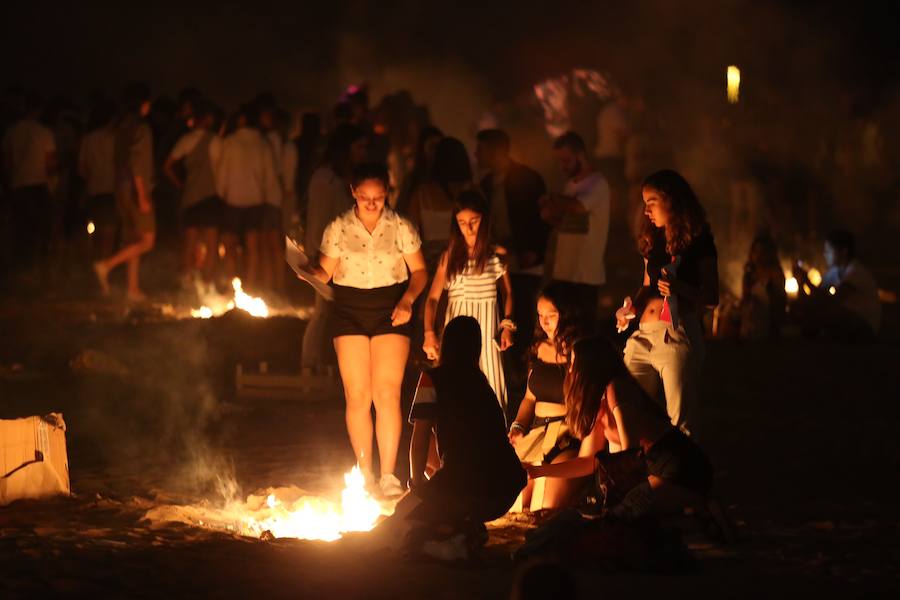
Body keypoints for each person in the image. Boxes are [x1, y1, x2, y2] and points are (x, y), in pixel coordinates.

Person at [302, 162, 427, 497]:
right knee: (358, 396)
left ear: (387, 194)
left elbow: (419, 271)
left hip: (392, 309)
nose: (372, 204)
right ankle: (364, 472)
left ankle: (388, 476)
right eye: (365, 197)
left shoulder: (401, 226)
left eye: (378, 197)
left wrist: (408, 300)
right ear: (353, 193)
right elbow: (325, 274)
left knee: (387, 394)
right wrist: (304, 267)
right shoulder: (338, 227)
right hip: (349, 310)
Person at [376, 316, 526, 560]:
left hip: (466, 486)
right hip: (504, 489)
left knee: (402, 518)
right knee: (432, 509)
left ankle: (453, 538)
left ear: (446, 343)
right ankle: (463, 526)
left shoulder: (432, 379)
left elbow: (420, 439)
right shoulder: (481, 383)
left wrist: (417, 487)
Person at [527, 335, 715, 523]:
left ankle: (701, 508)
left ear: (591, 366)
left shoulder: (617, 388)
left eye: (574, 362)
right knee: (614, 517)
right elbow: (588, 461)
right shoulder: (598, 402)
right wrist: (539, 471)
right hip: (649, 468)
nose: (570, 369)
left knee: (620, 518)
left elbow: (629, 452)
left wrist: (615, 500)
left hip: (676, 463)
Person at [615, 170, 718, 438]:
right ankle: (634, 474)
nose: (646, 210)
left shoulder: (699, 242)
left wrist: (680, 288)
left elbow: (711, 296)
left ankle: (682, 476)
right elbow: (647, 284)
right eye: (644, 202)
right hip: (642, 336)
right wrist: (629, 311)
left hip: (676, 334)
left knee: (680, 422)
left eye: (652, 201)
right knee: (627, 410)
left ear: (672, 199)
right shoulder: (653, 240)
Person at [422, 191, 514, 412]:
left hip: (487, 334)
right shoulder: (450, 256)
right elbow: (433, 298)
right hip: (457, 335)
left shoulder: (495, 255)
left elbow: (508, 293)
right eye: (462, 223)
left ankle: (494, 441)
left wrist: (507, 325)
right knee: (456, 389)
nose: (468, 228)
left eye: (474, 221)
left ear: (485, 220)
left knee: (492, 388)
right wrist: (429, 332)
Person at [508, 282, 589, 509]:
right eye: (540, 315)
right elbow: (529, 398)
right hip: (535, 435)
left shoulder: (581, 351)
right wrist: (518, 426)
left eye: (551, 315)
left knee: (545, 507)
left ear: (566, 314)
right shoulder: (538, 348)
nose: (544, 322)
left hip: (566, 436)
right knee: (516, 504)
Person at [476, 129, 549, 370]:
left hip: (526, 260)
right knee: (505, 309)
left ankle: (526, 365)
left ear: (497, 150)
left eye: (481, 149)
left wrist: (534, 250)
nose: (477, 155)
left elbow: (543, 218)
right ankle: (510, 366)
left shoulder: (527, 179)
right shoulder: (486, 184)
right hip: (501, 259)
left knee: (526, 311)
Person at [301, 123, 368, 376]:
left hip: (347, 254)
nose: (363, 153)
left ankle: (323, 363)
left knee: (335, 310)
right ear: (345, 149)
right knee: (323, 309)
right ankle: (309, 363)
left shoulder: (342, 177)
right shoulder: (325, 179)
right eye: (358, 147)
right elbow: (318, 219)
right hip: (328, 255)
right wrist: (315, 255)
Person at [92, 83, 156, 301]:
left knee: (133, 240)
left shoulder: (121, 128)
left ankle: (132, 289)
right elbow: (138, 164)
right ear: (143, 104)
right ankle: (106, 266)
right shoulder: (141, 128)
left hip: (120, 188)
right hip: (134, 189)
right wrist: (142, 195)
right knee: (148, 240)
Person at [541, 131, 610, 324]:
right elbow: (563, 220)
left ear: (580, 155)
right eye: (560, 162)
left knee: (583, 329)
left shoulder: (598, 183)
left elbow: (578, 207)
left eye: (566, 160)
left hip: (585, 276)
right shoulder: (569, 185)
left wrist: (552, 198)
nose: (562, 166)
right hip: (564, 273)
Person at [215, 103, 281, 291]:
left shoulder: (230, 142)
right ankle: (250, 286)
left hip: (232, 201)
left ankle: (231, 287)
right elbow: (270, 176)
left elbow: (222, 174)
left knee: (229, 246)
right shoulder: (262, 144)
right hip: (256, 201)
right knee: (253, 249)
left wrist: (222, 194)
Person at [163, 99, 223, 287]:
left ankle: (187, 282)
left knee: (189, 243)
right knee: (211, 244)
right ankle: (207, 283)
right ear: (206, 119)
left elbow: (167, 166)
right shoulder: (215, 140)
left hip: (190, 197)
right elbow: (219, 169)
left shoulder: (186, 140)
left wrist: (180, 184)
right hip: (210, 197)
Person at [2, 91, 57, 282]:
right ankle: (37, 275)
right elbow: (49, 164)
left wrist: (11, 181)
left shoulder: (12, 131)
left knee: (21, 233)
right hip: (37, 186)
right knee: (41, 232)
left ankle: (20, 275)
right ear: (39, 110)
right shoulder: (44, 133)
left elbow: (6, 162)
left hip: (18, 186)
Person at [793, 229, 881, 340]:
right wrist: (802, 281)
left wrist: (806, 284)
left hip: (864, 323)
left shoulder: (856, 272)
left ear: (843, 252)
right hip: (846, 318)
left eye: (828, 251)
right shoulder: (834, 271)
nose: (825, 255)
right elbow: (818, 295)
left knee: (824, 314)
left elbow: (832, 301)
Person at [407, 136, 473, 270]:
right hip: (467, 264)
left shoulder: (422, 194)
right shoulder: (474, 193)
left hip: (433, 265)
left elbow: (409, 234)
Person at [78, 97, 117, 260]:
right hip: (111, 190)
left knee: (96, 233)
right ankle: (103, 271)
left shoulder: (88, 139)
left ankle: (95, 266)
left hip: (94, 191)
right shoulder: (115, 139)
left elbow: (81, 169)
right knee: (109, 234)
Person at [738, 232, 786, 339]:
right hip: (749, 325)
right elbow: (745, 300)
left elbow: (780, 302)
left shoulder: (775, 274)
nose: (758, 256)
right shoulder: (749, 274)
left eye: (763, 252)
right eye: (756, 252)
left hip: (768, 327)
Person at [394, 125, 442, 217]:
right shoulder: (412, 180)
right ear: (423, 149)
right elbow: (400, 211)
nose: (437, 151)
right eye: (433, 146)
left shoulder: (448, 179)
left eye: (440, 147)